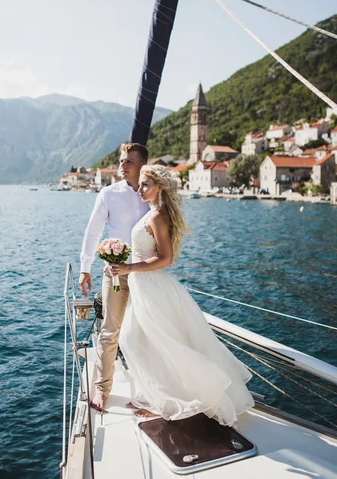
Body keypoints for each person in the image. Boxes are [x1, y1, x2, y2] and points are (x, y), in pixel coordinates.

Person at [110, 165, 254, 425]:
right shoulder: (153, 212)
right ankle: (153, 395)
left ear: (160, 187)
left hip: (153, 287)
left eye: (145, 184)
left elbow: (166, 258)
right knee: (135, 341)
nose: (139, 189)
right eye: (140, 184)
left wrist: (129, 267)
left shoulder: (157, 216)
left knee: (154, 343)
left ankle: (167, 401)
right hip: (143, 287)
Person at [79, 142, 149, 412]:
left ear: (142, 165)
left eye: (129, 161)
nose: (122, 165)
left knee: (146, 332)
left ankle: (147, 388)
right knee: (110, 332)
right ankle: (102, 388)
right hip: (116, 275)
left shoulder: (152, 194)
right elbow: (92, 232)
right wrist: (86, 267)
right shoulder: (108, 194)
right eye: (122, 160)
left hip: (146, 275)